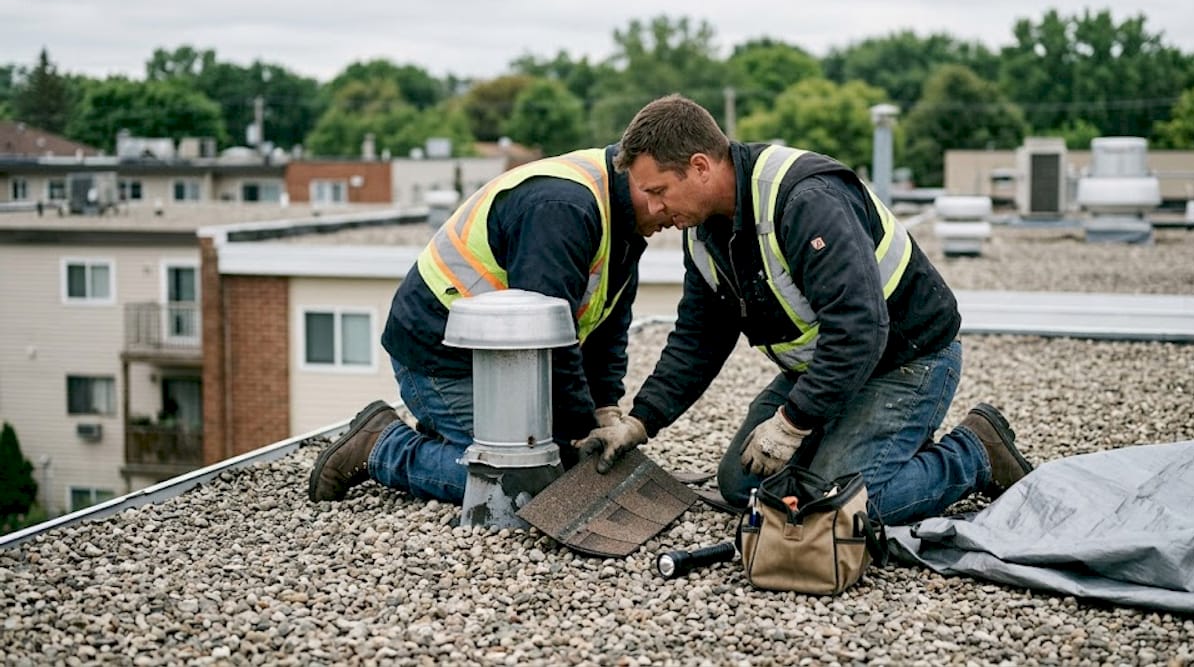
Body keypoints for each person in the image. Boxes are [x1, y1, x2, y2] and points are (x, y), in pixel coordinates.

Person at [573, 94, 1033, 525]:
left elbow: (860, 328)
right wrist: (640, 421)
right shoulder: (702, 231)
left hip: (907, 360)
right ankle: (867, 444)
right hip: (828, 368)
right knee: (740, 487)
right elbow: (698, 339)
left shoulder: (805, 200)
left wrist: (793, 423)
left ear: (700, 167)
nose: (652, 207)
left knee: (836, 507)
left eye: (659, 190)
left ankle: (974, 452)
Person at [308, 146, 672, 504]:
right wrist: (579, 438)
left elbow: (608, 329)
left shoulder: (624, 217)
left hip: (497, 362)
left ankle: (451, 437)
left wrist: (604, 411)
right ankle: (382, 446)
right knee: (524, 481)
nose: (672, 216)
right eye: (665, 197)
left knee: (553, 460)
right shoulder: (563, 211)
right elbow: (545, 343)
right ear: (644, 176)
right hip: (440, 358)